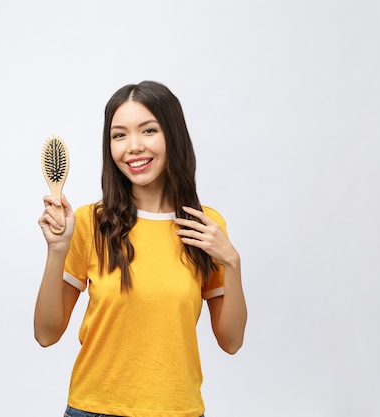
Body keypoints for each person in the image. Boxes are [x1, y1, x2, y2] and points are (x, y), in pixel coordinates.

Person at [34, 81, 247, 417]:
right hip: (94, 410)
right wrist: (57, 250)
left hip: (179, 411)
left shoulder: (205, 225)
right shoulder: (90, 222)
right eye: (119, 135)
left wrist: (232, 263)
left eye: (148, 130)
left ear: (172, 135)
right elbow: (46, 334)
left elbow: (231, 342)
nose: (133, 146)